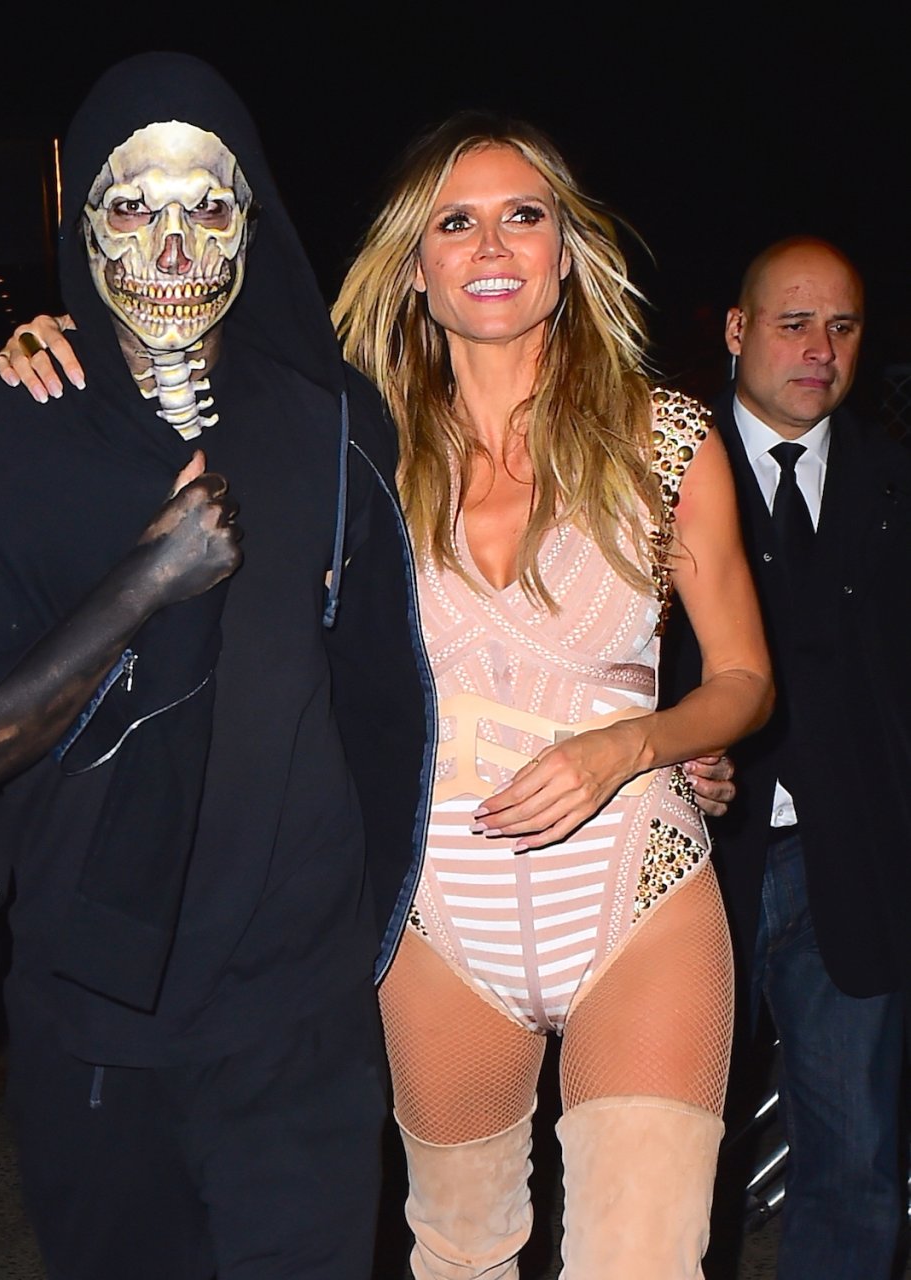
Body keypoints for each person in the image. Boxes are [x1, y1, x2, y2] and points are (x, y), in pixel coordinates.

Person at [0, 54, 432, 1280]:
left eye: (207, 205)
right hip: (97, 1016)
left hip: (298, 1012)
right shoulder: (2, 431)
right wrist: (146, 580)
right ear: (84, 222)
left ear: (252, 219)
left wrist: (364, 936)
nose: (174, 244)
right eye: (134, 206)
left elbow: (382, 682)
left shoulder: (333, 422)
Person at [328, 114, 773, 1279]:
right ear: (415, 266)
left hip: (639, 885)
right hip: (437, 912)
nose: (492, 244)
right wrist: (57, 349)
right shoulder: (359, 453)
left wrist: (635, 744)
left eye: (523, 215)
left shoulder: (664, 438)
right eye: (455, 221)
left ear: (565, 253)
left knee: (644, 1259)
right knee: (459, 1252)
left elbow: (743, 678)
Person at [660, 238, 911, 1280]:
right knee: (673, 1159)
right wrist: (668, 751)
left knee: (855, 1161)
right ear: (736, 329)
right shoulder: (657, 471)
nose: (820, 350)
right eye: (793, 323)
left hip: (855, 868)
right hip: (692, 867)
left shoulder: (893, 480)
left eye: (842, 327)